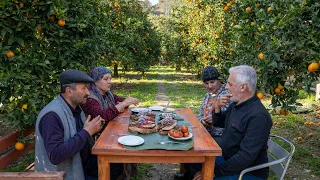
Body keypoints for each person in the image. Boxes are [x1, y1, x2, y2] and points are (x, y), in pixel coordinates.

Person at [192, 65, 272, 180]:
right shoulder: (237, 105)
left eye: (230, 84)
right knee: (194, 158)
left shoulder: (258, 116)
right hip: (229, 159)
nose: (226, 87)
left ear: (243, 87)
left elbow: (245, 157)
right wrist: (218, 108)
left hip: (247, 172)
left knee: (205, 175)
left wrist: (214, 172)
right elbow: (220, 123)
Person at [35, 69, 110, 180]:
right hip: (64, 174)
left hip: (82, 163)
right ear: (69, 91)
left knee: (117, 164)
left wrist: (95, 128)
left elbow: (79, 135)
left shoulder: (75, 108)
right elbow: (56, 155)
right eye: (83, 88)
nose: (88, 93)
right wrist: (87, 132)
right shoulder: (52, 116)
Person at [81, 66, 139, 180]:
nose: (109, 82)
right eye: (105, 79)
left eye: (110, 79)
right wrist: (121, 105)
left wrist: (128, 100)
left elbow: (120, 99)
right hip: (95, 142)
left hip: (108, 135)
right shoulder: (90, 99)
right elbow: (102, 116)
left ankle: (119, 173)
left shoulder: (107, 95)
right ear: (95, 81)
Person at [175, 66, 230, 180]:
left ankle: (201, 174)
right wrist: (203, 121)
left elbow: (226, 121)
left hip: (220, 135)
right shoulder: (207, 95)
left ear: (219, 80)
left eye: (212, 82)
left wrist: (214, 121)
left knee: (196, 148)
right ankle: (188, 173)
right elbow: (200, 115)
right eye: (206, 83)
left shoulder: (226, 96)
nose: (210, 86)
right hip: (206, 131)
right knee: (186, 139)